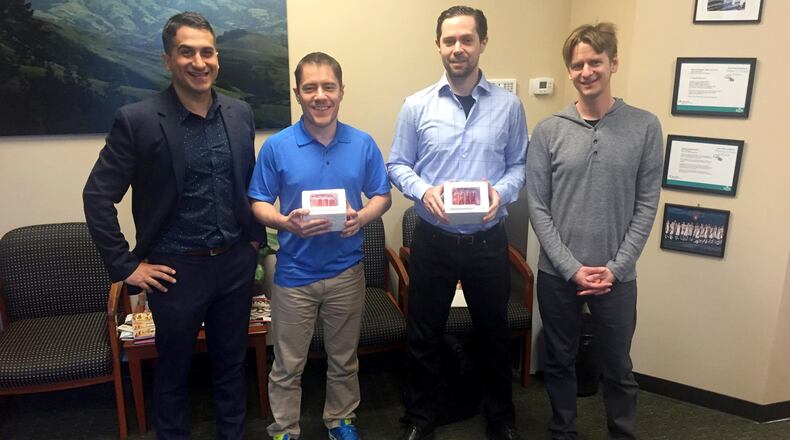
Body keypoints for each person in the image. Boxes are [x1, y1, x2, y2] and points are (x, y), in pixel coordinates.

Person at [83, 12, 265, 439]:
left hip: (236, 264)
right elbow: (96, 196)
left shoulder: (239, 114)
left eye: (207, 51)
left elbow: (248, 182)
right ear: (168, 59)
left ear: (217, 56)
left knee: (230, 368)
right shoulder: (138, 119)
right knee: (173, 376)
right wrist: (126, 267)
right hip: (175, 272)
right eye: (187, 52)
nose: (199, 62)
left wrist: (255, 241)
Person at [387, 6, 528, 440]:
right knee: (424, 333)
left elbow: (519, 166)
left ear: (483, 42)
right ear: (438, 46)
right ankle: (420, 418)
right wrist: (422, 190)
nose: (458, 48)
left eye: (466, 39)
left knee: (494, 332)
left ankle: (500, 419)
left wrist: (500, 194)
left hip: (487, 241)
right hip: (434, 239)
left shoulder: (509, 107)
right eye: (449, 41)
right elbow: (397, 163)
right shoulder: (416, 105)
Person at [526, 22, 663, 440]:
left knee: (618, 367)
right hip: (557, 276)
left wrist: (616, 268)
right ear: (569, 70)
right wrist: (570, 268)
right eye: (577, 64)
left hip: (616, 279)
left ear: (613, 63)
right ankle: (563, 430)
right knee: (560, 361)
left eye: (595, 62)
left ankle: (622, 432)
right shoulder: (549, 130)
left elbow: (646, 206)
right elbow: (537, 206)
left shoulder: (645, 127)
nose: (586, 71)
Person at [248, 52, 391, 440]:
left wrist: (361, 217)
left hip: (347, 272)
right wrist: (283, 221)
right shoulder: (278, 147)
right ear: (298, 93)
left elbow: (382, 195)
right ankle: (284, 430)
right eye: (310, 87)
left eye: (328, 86)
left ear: (341, 90)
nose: (320, 95)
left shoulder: (362, 143)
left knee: (344, 359)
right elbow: (257, 201)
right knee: (287, 363)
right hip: (294, 274)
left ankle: (340, 420)